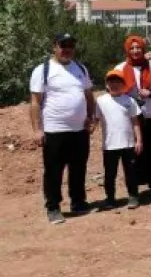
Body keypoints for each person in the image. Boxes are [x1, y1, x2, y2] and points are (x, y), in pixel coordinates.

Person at [30, 33, 96, 224]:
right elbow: (35, 102)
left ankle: (78, 201)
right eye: (63, 45)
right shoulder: (43, 70)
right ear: (54, 46)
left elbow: (88, 95)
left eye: (70, 46)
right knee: (53, 170)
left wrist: (91, 118)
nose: (67, 49)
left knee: (78, 167)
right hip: (54, 129)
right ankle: (53, 207)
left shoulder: (80, 68)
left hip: (79, 130)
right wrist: (37, 129)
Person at [118, 34, 151, 199]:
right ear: (127, 49)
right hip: (131, 118)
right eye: (132, 48)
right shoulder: (121, 68)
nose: (135, 51)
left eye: (138, 48)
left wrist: (150, 92)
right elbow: (113, 90)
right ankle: (136, 189)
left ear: (143, 49)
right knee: (135, 154)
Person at [96, 69, 143, 210]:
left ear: (123, 84)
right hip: (109, 145)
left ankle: (133, 196)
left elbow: (135, 122)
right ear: (106, 84)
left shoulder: (129, 100)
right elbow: (96, 120)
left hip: (128, 144)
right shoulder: (100, 101)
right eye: (111, 81)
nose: (114, 84)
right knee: (110, 174)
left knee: (131, 172)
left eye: (118, 81)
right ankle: (110, 199)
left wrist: (139, 140)